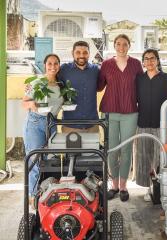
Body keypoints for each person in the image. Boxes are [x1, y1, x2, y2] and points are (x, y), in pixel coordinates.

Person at [98, 34, 143, 202]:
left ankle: (123, 186)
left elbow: (141, 86)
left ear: (129, 46)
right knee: (112, 149)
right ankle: (114, 185)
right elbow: (99, 85)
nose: (121, 47)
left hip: (130, 111)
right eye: (118, 44)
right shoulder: (106, 64)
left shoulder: (136, 64)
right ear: (114, 45)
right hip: (110, 111)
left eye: (125, 44)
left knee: (126, 150)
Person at [134, 48, 167, 201]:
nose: (149, 61)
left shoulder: (166, 78)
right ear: (143, 62)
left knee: (161, 157)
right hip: (143, 122)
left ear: (157, 60)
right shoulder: (139, 79)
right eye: (146, 59)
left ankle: (162, 188)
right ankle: (148, 188)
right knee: (144, 155)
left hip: (161, 124)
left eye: (152, 58)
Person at [22, 53, 63, 201]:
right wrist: (31, 104)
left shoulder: (61, 85)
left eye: (56, 63)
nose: (52, 66)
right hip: (35, 123)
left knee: (48, 161)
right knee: (34, 161)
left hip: (52, 124)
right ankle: (32, 197)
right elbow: (24, 103)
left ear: (59, 66)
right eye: (49, 63)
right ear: (45, 65)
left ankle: (44, 195)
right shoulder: (37, 82)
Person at [57, 40, 99, 133]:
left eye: (85, 52)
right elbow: (50, 80)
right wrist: (31, 86)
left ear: (89, 54)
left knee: (94, 148)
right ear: (72, 53)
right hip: (70, 125)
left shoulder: (95, 70)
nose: (81, 55)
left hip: (92, 125)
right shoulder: (64, 69)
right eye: (78, 52)